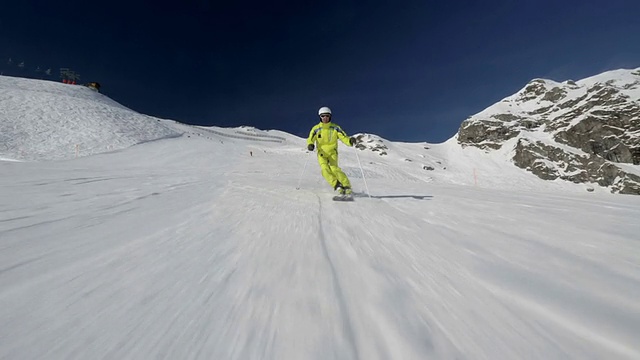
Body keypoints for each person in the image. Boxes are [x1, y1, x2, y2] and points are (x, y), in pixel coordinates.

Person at [306, 106, 357, 195]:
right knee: (324, 169)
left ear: (330, 116)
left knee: (335, 169)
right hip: (321, 153)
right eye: (323, 116)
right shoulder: (316, 129)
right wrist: (310, 144)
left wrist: (349, 141)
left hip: (332, 152)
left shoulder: (335, 128)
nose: (325, 118)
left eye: (327, 116)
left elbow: (343, 137)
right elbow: (310, 138)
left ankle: (347, 185)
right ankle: (337, 185)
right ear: (320, 117)